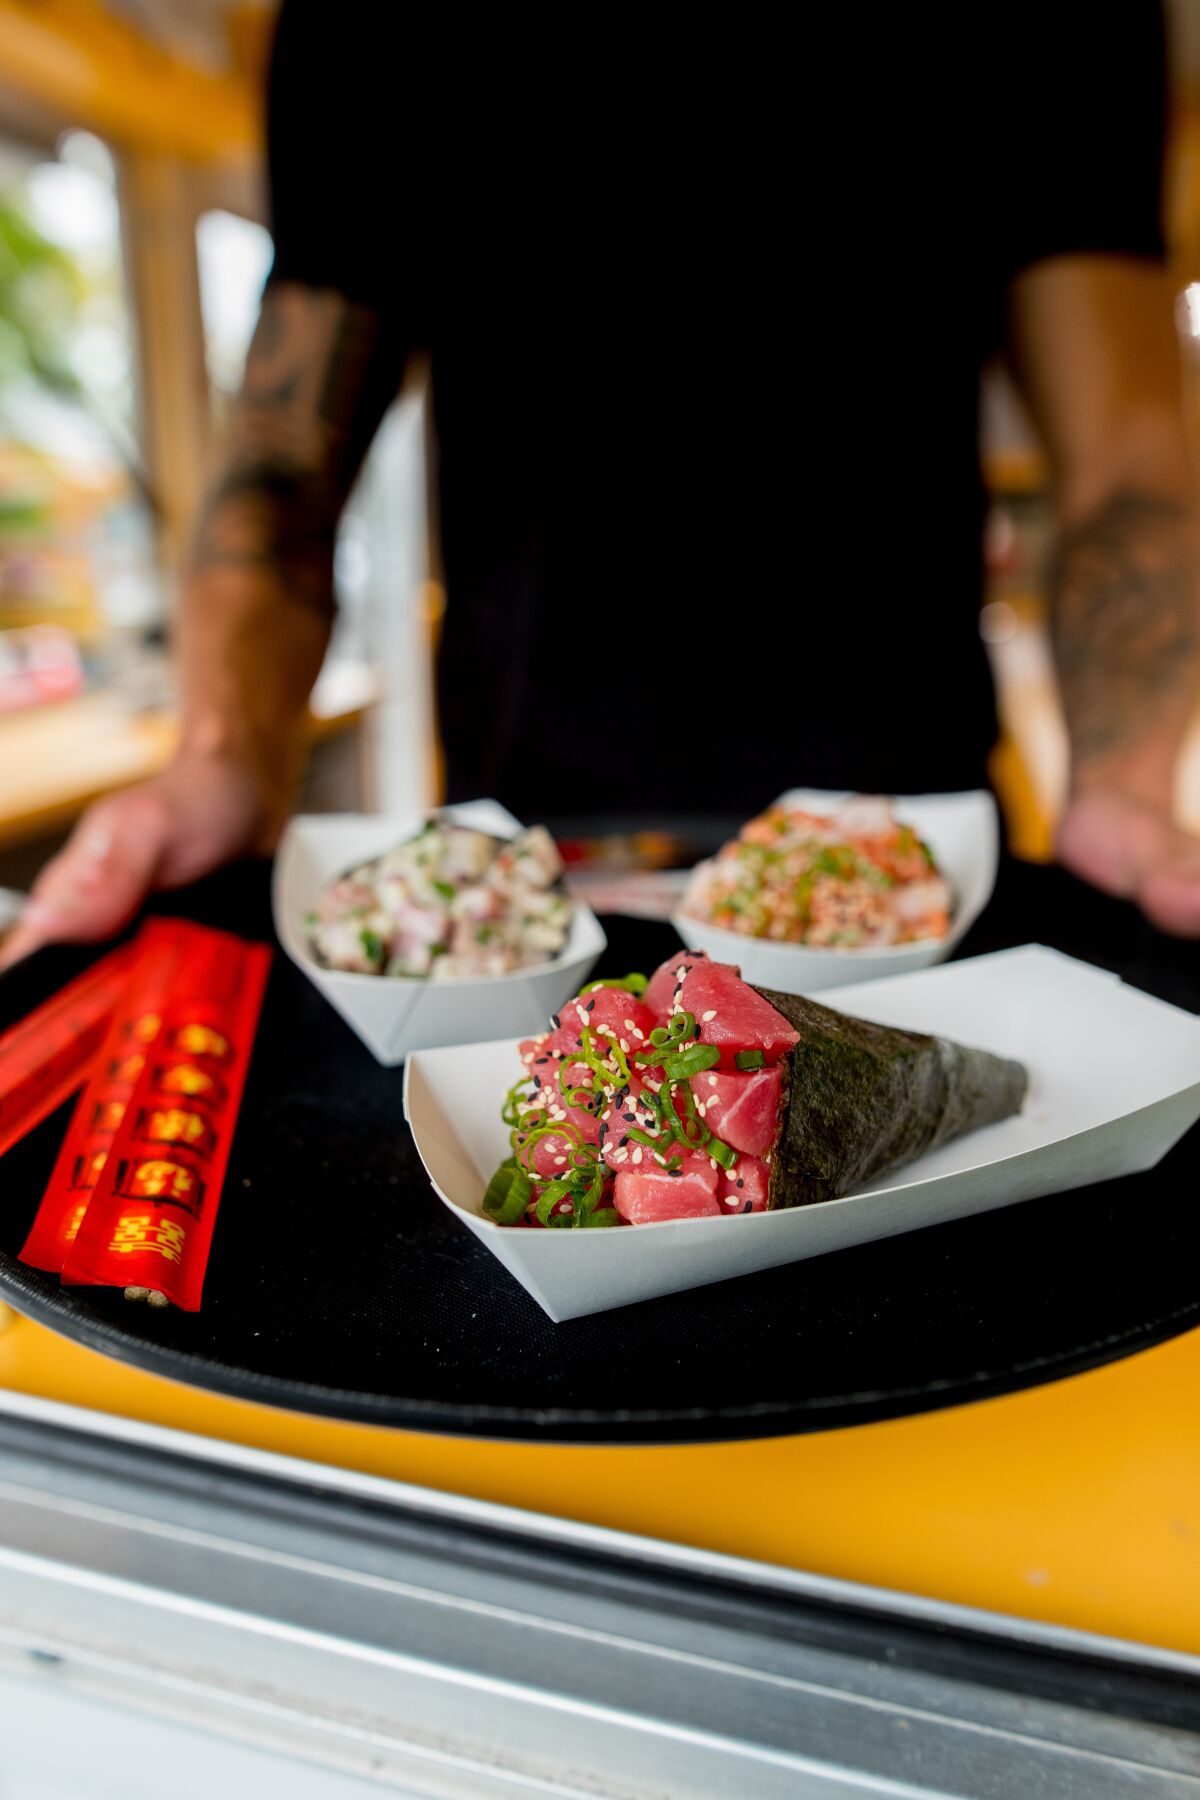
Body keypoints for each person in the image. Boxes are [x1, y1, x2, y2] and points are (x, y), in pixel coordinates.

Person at [5, 1, 1200, 969]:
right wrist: (220, 751)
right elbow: (283, 462)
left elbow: (1130, 464)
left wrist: (1130, 782)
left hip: (914, 864)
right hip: (527, 880)